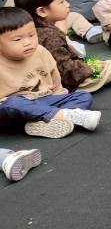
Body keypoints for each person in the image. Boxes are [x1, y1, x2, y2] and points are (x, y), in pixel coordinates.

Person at [0, 7, 99, 139]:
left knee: (83, 96)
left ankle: (44, 122)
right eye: (18, 39)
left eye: (32, 35)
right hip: (13, 109)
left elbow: (54, 77)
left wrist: (59, 93)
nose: (28, 42)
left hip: (43, 100)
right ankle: (65, 115)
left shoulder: (40, 51)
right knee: (13, 103)